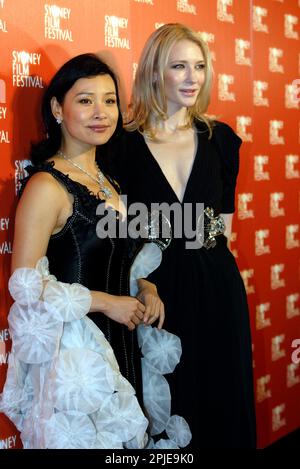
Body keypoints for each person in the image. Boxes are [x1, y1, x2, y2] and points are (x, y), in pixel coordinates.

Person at [0, 53, 188, 449]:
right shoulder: (46, 188)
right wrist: (107, 303)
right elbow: (27, 287)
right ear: (57, 108)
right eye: (85, 100)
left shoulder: (110, 181)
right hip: (78, 359)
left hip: (123, 345)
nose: (101, 112)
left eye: (109, 100)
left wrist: (144, 288)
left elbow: (117, 256)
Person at [107, 24, 257, 449]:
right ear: (155, 73)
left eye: (199, 66)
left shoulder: (222, 140)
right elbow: (119, 235)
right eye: (179, 66)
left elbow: (223, 230)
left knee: (222, 405)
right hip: (156, 295)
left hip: (217, 289)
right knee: (168, 413)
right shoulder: (122, 145)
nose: (193, 77)